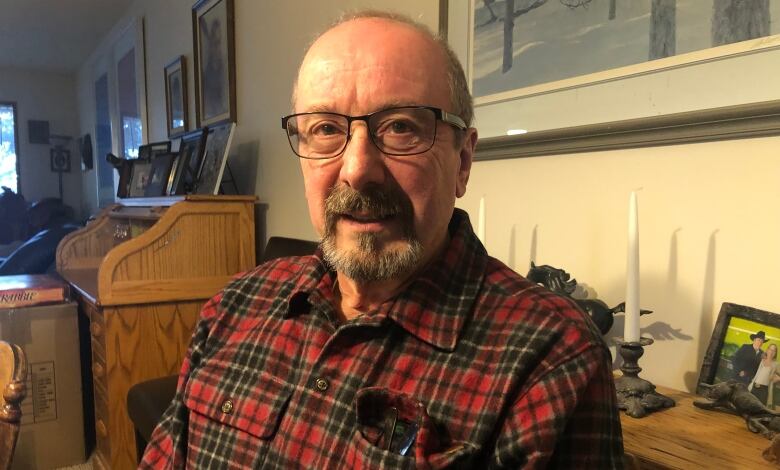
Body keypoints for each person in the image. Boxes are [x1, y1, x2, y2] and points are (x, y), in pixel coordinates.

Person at [141, 11, 623, 468]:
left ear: (463, 160)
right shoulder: (234, 305)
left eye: (400, 127)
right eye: (326, 129)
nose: (357, 170)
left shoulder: (552, 361)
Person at [749, 343, 780, 408]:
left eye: (773, 350)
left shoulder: (776, 364)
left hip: (763, 390)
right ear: (767, 350)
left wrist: (776, 378)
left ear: (775, 353)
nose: (771, 351)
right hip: (754, 387)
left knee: (759, 410)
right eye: (770, 349)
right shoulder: (761, 359)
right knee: (749, 408)